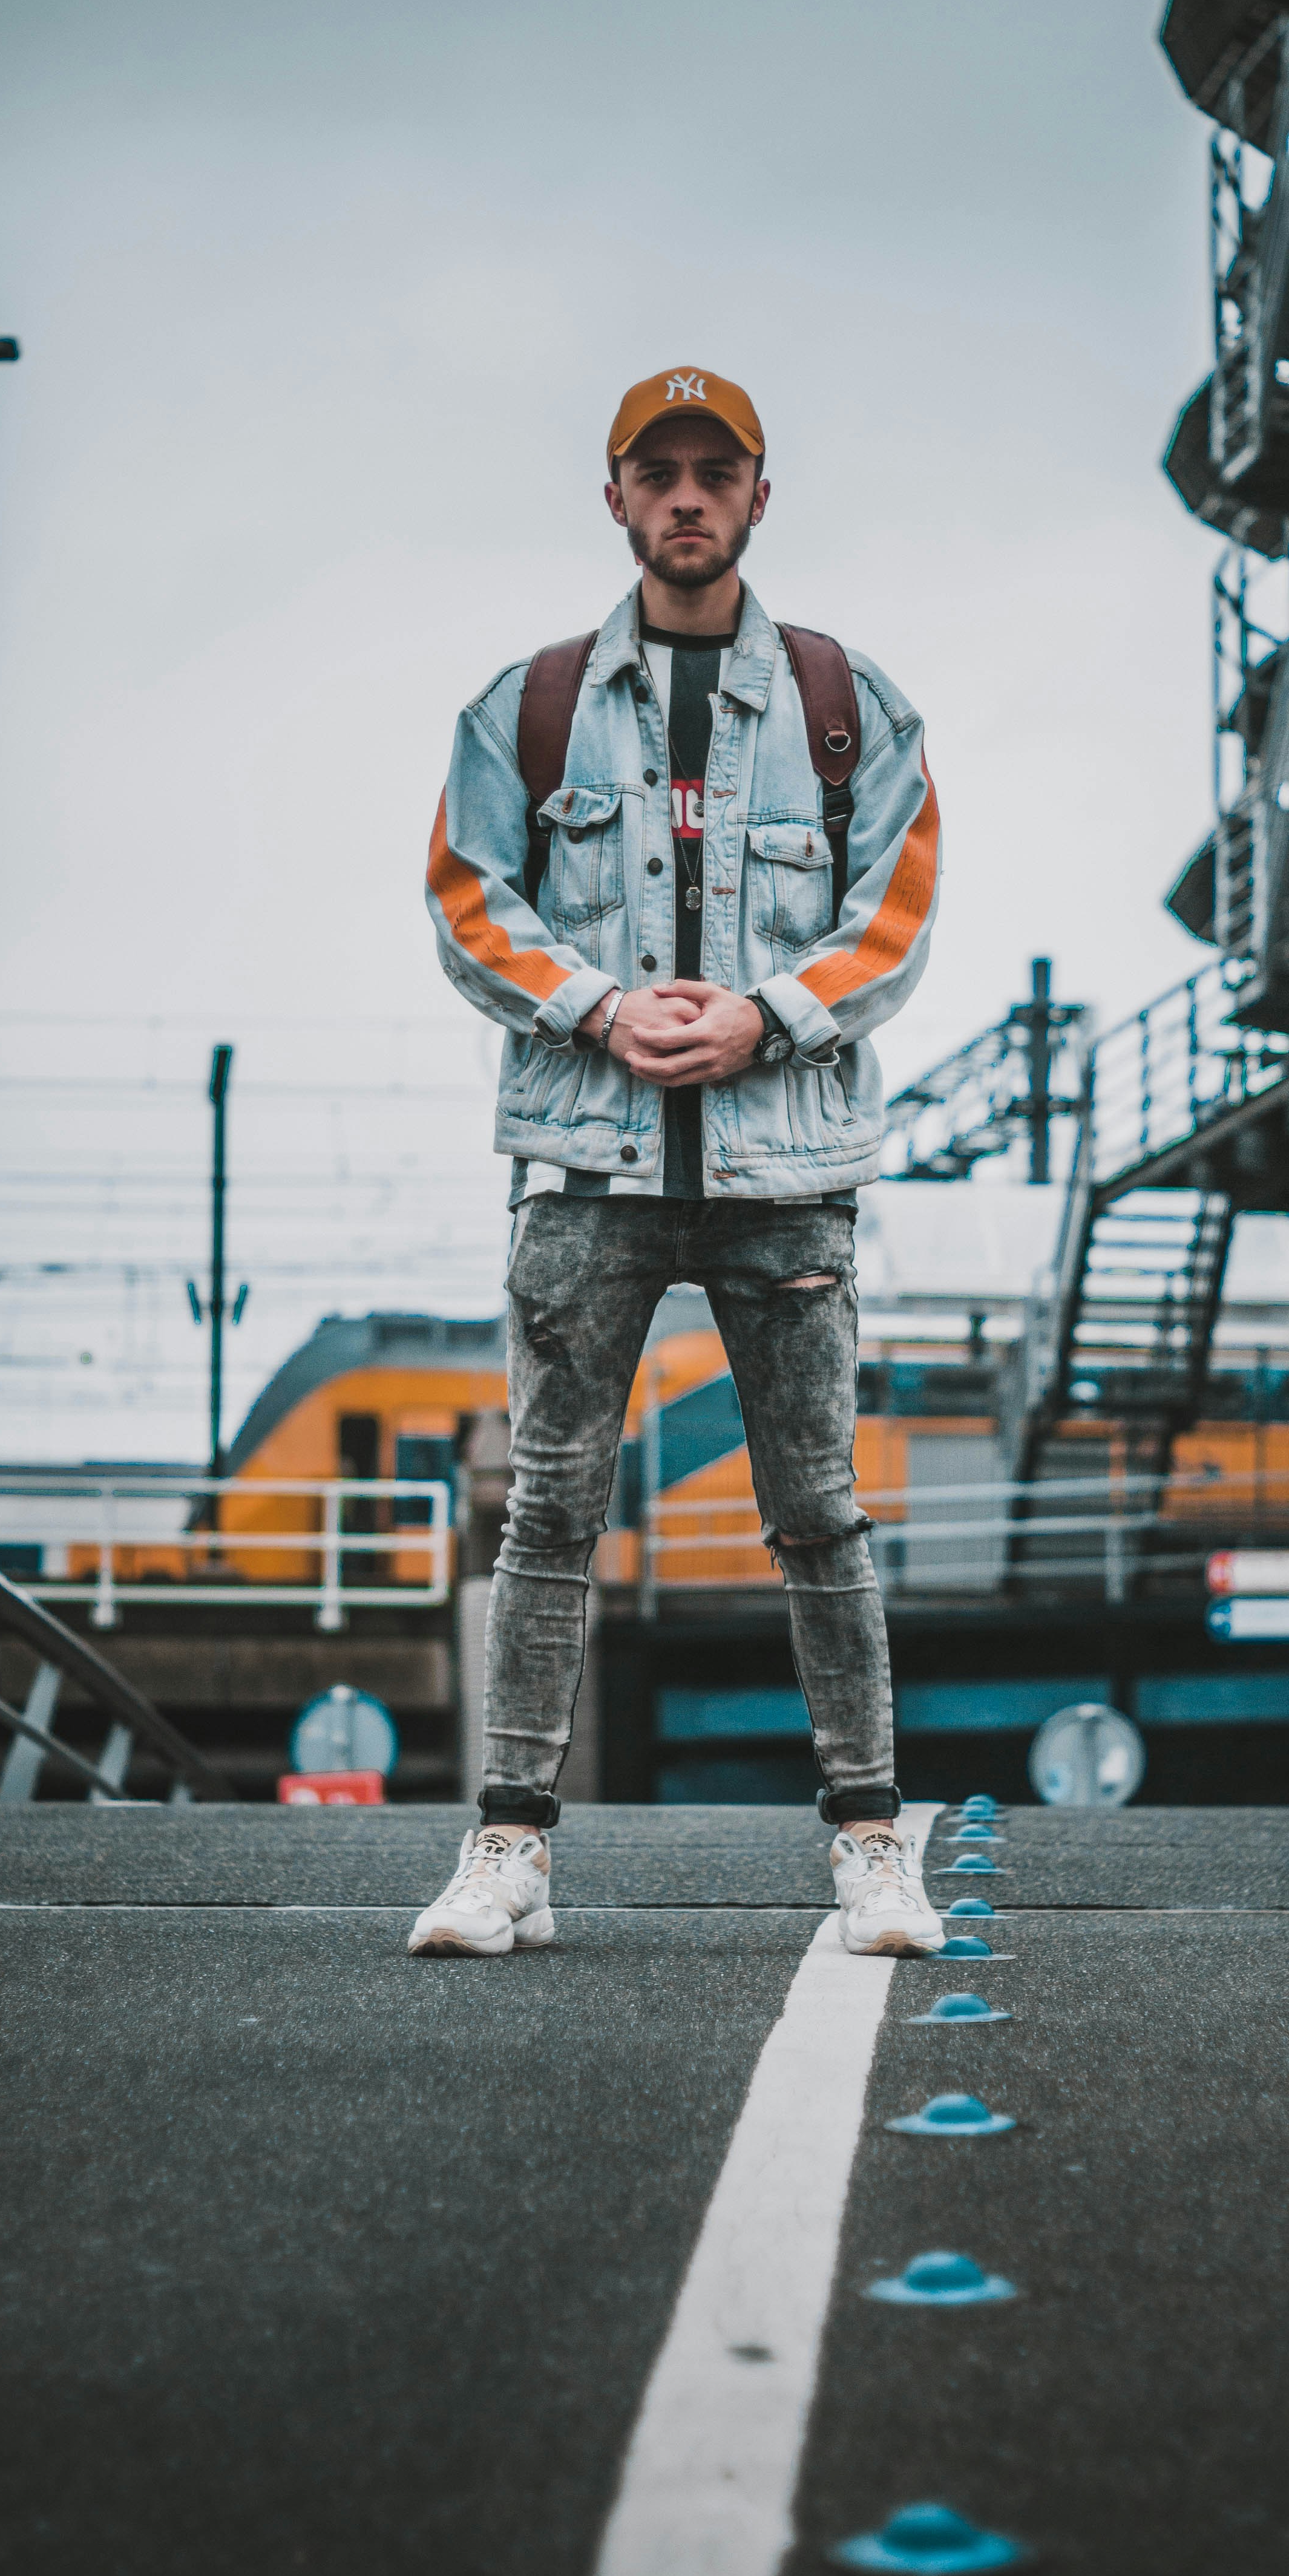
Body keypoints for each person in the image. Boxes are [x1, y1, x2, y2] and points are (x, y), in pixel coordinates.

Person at [410, 365, 945, 1960]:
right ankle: (507, 1853)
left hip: (788, 1173)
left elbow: (896, 923)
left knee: (820, 1514)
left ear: (760, 496)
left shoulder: (856, 707)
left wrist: (762, 1023)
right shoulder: (531, 705)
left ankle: (871, 1852)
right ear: (619, 496)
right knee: (550, 1515)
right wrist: (595, 1006)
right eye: (664, 472)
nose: (691, 497)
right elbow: (467, 899)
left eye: (720, 471)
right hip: (587, 1173)